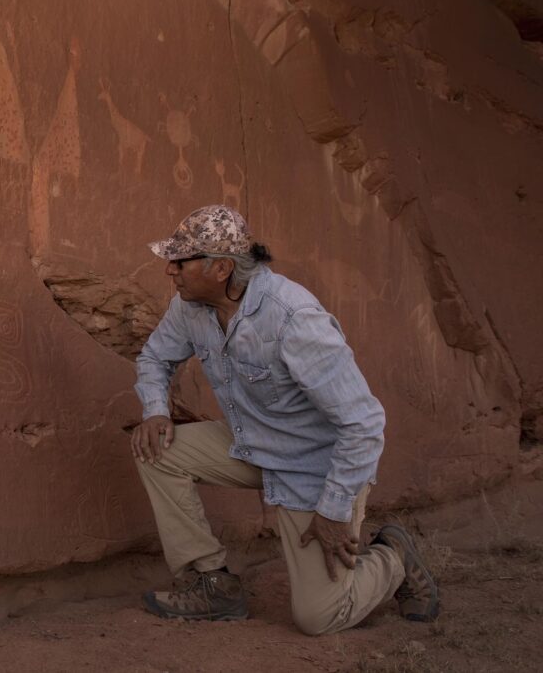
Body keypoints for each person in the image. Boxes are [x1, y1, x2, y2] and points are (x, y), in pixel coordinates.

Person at [131, 204, 440, 635]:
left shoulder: (292, 316)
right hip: (251, 443)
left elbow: (363, 422)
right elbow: (154, 357)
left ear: (220, 268)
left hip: (314, 468)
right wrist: (155, 411)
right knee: (156, 451)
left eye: (181, 261)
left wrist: (333, 511)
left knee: (319, 616)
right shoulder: (191, 308)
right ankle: (212, 583)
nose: (170, 271)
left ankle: (393, 556)